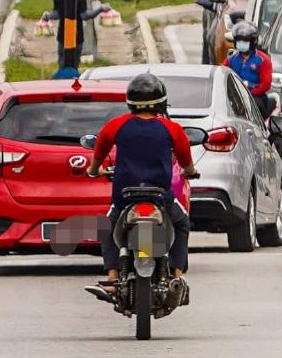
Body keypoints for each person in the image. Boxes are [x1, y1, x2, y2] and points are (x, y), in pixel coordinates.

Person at [83, 73, 198, 303]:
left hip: (124, 198)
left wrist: (94, 170)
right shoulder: (172, 129)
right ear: (161, 102)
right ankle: (176, 277)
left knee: (108, 228)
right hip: (160, 198)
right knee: (182, 223)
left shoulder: (116, 125)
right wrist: (190, 171)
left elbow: (99, 152)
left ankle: (113, 278)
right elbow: (186, 160)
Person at [43, 0, 111, 69]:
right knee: (75, 64)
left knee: (62, 63)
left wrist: (48, 16)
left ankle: (63, 75)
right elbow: (84, 16)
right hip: (77, 36)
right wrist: (100, 9)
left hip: (63, 36)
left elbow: (56, 14)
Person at [223, 21, 274, 119]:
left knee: (255, 109)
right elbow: (222, 75)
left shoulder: (263, 60)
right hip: (234, 96)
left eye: (245, 41)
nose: (241, 43)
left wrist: (249, 93)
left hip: (255, 96)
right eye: (239, 40)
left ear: (253, 42)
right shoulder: (231, 59)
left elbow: (266, 84)